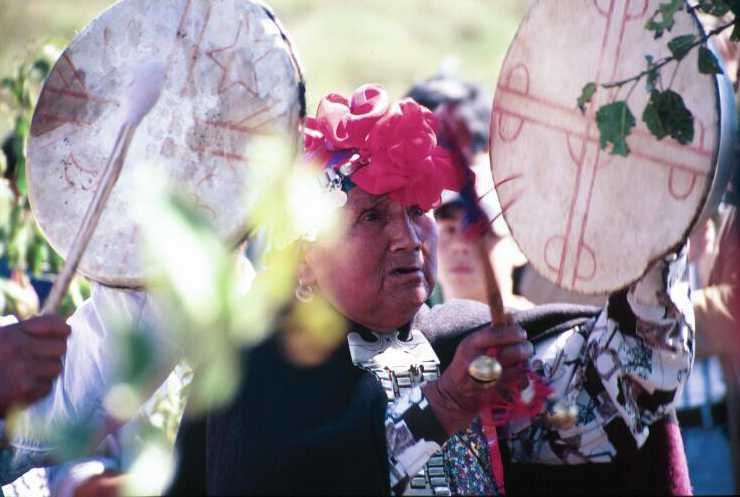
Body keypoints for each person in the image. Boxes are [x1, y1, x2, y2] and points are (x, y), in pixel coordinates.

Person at [168, 84, 694, 496]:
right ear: (305, 259)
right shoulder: (252, 368)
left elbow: (626, 390)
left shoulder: (463, 340)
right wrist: (443, 406)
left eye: (418, 211)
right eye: (372, 216)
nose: (409, 237)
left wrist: (654, 225)